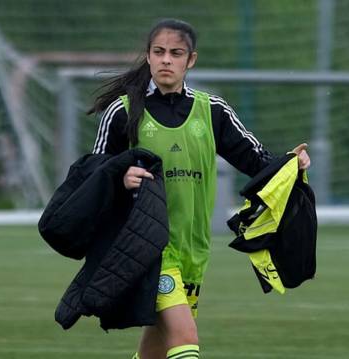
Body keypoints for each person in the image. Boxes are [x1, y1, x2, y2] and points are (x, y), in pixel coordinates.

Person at [88, 18, 310, 359]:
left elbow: (255, 160)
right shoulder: (124, 111)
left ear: (190, 60)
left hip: (193, 246)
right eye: (158, 52)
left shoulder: (213, 112)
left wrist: (290, 164)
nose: (166, 60)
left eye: (175, 53)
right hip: (143, 243)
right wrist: (121, 175)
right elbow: (92, 174)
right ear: (147, 57)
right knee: (185, 337)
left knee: (156, 349)